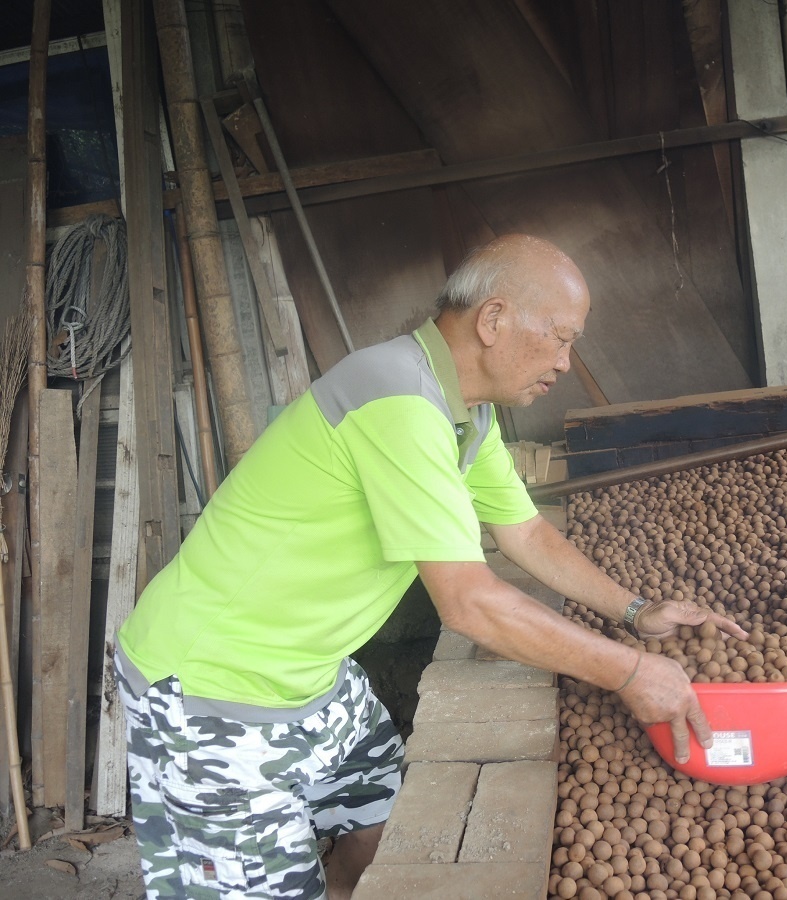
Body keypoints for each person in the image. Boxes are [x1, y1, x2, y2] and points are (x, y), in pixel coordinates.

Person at [115, 233, 747, 899]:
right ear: (494, 320)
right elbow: (468, 604)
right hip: (211, 691)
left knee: (391, 818)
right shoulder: (396, 399)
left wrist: (636, 612)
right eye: (560, 337)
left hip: (309, 679)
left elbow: (526, 532)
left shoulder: (466, 414)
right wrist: (630, 672)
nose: (566, 361)